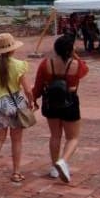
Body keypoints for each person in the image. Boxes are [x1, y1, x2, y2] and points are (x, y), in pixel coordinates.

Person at [33, 34, 90, 184]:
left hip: (50, 102)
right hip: (70, 101)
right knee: (73, 137)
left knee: (55, 135)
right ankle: (63, 161)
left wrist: (34, 100)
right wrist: (75, 55)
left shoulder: (46, 63)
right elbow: (85, 70)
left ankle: (54, 166)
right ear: (70, 49)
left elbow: (38, 85)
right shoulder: (76, 65)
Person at [0, 34, 32, 184]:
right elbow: (27, 89)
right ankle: (16, 172)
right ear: (12, 49)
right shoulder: (18, 65)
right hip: (14, 102)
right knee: (16, 140)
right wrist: (32, 102)